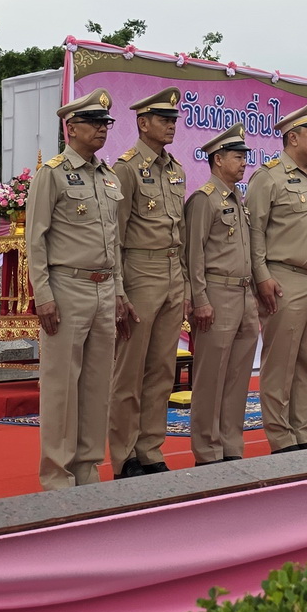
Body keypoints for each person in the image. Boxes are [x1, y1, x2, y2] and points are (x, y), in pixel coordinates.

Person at [24, 89, 130, 489]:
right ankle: (57, 475)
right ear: (71, 128)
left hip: (104, 289)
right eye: (95, 123)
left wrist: (119, 292)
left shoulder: (107, 176)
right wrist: (44, 295)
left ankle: (87, 469)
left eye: (106, 123)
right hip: (67, 287)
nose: (103, 130)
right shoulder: (51, 173)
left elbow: (113, 243)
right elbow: (36, 239)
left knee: (97, 384)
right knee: (61, 385)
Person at [247, 100, 307, 452]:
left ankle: (302, 433)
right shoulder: (268, 177)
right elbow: (255, 230)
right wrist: (261, 276)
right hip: (285, 278)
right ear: (292, 137)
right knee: (280, 363)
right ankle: (280, 437)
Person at [109, 87, 187, 478]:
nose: (171, 125)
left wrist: (186, 283)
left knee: (161, 369)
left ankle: (150, 448)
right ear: (143, 123)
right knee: (130, 370)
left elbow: (182, 232)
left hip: (173, 274)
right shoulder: (125, 168)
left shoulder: (176, 169)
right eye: (163, 119)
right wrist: (119, 290)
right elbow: (116, 236)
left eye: (174, 120)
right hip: (140, 273)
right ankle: (124, 455)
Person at [183, 123, 258, 466]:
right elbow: (193, 254)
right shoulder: (204, 199)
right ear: (217, 160)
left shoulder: (237, 198)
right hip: (217, 292)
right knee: (211, 377)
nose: (243, 162)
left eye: (244, 155)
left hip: (244, 296)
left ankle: (231, 445)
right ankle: (207, 451)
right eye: (236, 156)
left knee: (238, 378)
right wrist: (200, 299)